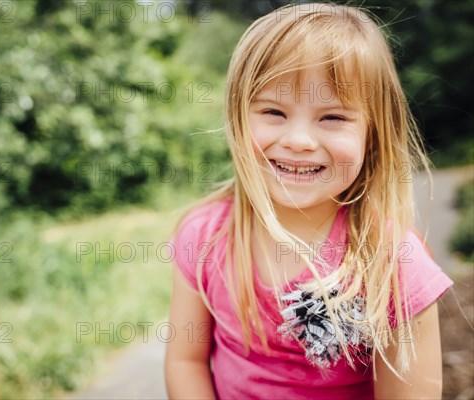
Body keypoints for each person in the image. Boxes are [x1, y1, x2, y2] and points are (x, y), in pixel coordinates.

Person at [164, 3, 454, 399]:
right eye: (273, 111)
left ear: (373, 133)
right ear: (237, 119)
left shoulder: (394, 264)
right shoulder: (205, 238)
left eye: (332, 117)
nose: (299, 140)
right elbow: (185, 362)